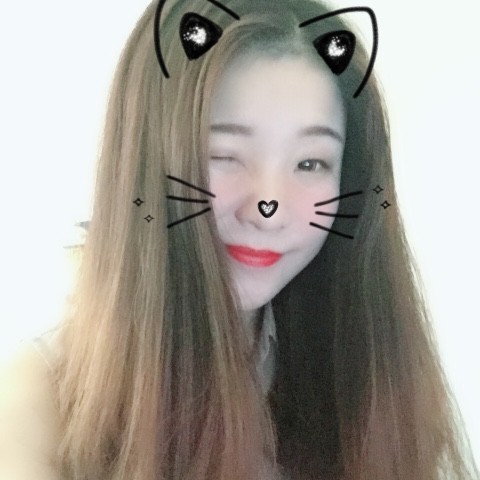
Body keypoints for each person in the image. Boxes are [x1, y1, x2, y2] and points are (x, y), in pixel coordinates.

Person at [0, 0, 478, 479]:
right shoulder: (34, 407)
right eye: (225, 155)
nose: (268, 208)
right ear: (147, 162)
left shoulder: (364, 375)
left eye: (310, 163)